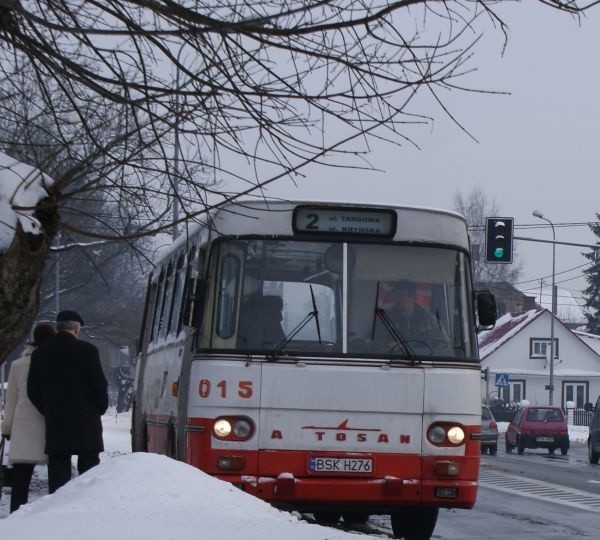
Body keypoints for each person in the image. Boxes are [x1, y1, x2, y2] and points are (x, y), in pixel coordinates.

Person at [27, 310, 108, 494]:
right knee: (89, 471)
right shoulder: (88, 351)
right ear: (76, 328)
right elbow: (98, 384)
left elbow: (33, 390)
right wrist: (98, 408)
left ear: (59, 328)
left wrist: (47, 409)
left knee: (58, 473)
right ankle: (88, 503)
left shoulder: (40, 354)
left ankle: (58, 508)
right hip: (86, 422)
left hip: (57, 422)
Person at [1, 323, 55, 512]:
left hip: (23, 424)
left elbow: (11, 400)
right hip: (49, 422)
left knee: (21, 478)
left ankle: (17, 512)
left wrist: (7, 428)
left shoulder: (18, 365)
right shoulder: (55, 361)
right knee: (56, 474)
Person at [374, 281, 448, 351]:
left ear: (412, 297)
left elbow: (445, 345)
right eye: (395, 296)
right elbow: (374, 343)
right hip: (393, 360)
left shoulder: (430, 320)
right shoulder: (386, 320)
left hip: (424, 362)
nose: (397, 299)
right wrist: (388, 345)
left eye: (401, 295)